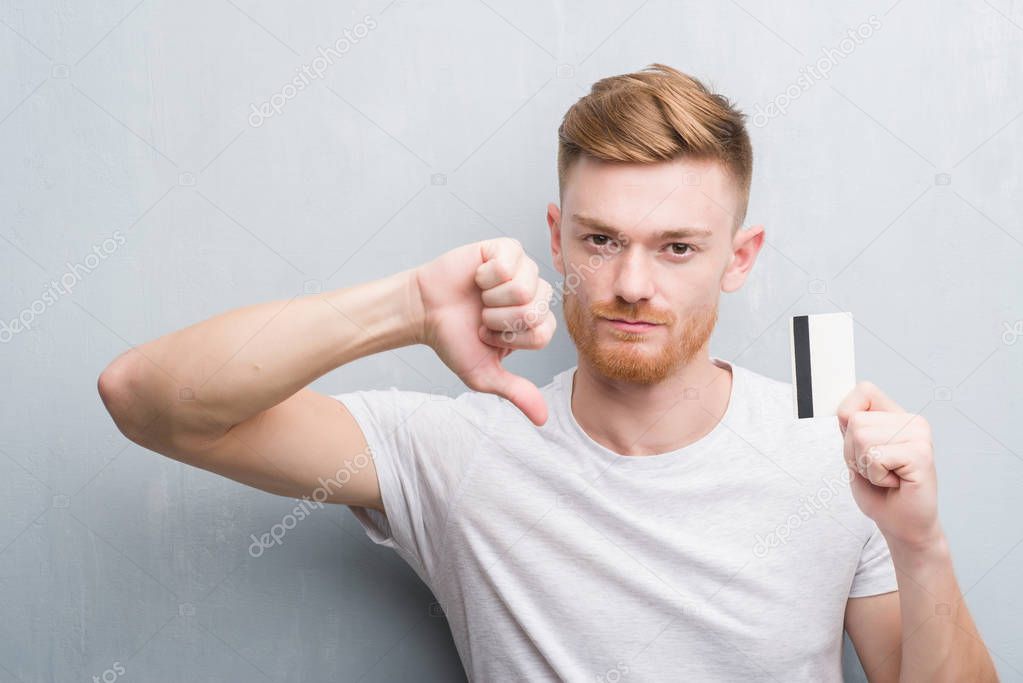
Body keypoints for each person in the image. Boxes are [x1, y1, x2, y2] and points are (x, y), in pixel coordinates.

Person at [97, 63, 996, 681]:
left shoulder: (830, 455)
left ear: (740, 256)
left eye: (677, 246)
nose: (632, 285)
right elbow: (146, 398)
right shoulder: (457, 448)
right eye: (601, 239)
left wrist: (920, 544)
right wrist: (405, 306)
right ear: (558, 238)